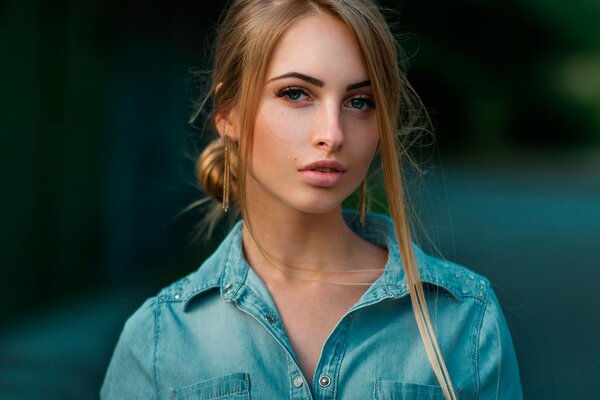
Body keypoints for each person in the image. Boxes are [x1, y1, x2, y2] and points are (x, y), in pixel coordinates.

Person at [101, 0, 523, 399]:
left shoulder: (465, 318)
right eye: (296, 94)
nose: (333, 134)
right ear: (228, 113)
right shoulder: (159, 340)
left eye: (360, 101)